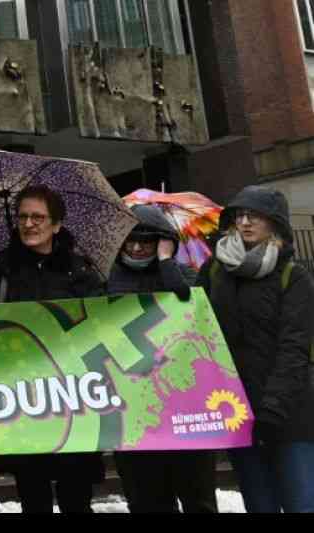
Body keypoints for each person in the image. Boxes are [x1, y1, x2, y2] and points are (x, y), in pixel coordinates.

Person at [0, 184, 106, 514]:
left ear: (57, 224)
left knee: (76, 498)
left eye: (38, 217)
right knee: (32, 496)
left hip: (71, 399)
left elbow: (101, 325)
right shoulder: (0, 270)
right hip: (22, 398)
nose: (29, 224)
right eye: (22, 217)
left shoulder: (79, 271)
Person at [198, 186, 314, 513]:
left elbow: (295, 346)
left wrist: (273, 408)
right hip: (237, 411)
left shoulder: (294, 276)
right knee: (259, 504)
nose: (245, 223)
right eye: (239, 216)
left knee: (301, 504)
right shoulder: (214, 270)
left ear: (275, 224)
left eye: (256, 217)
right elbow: (194, 329)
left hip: (290, 416)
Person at [109, 205, 218, 513]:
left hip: (186, 406)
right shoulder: (107, 279)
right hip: (133, 410)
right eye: (130, 240)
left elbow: (191, 304)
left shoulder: (185, 274)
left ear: (164, 241)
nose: (136, 247)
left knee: (199, 499)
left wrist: (166, 262)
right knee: (146, 502)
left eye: (146, 240)